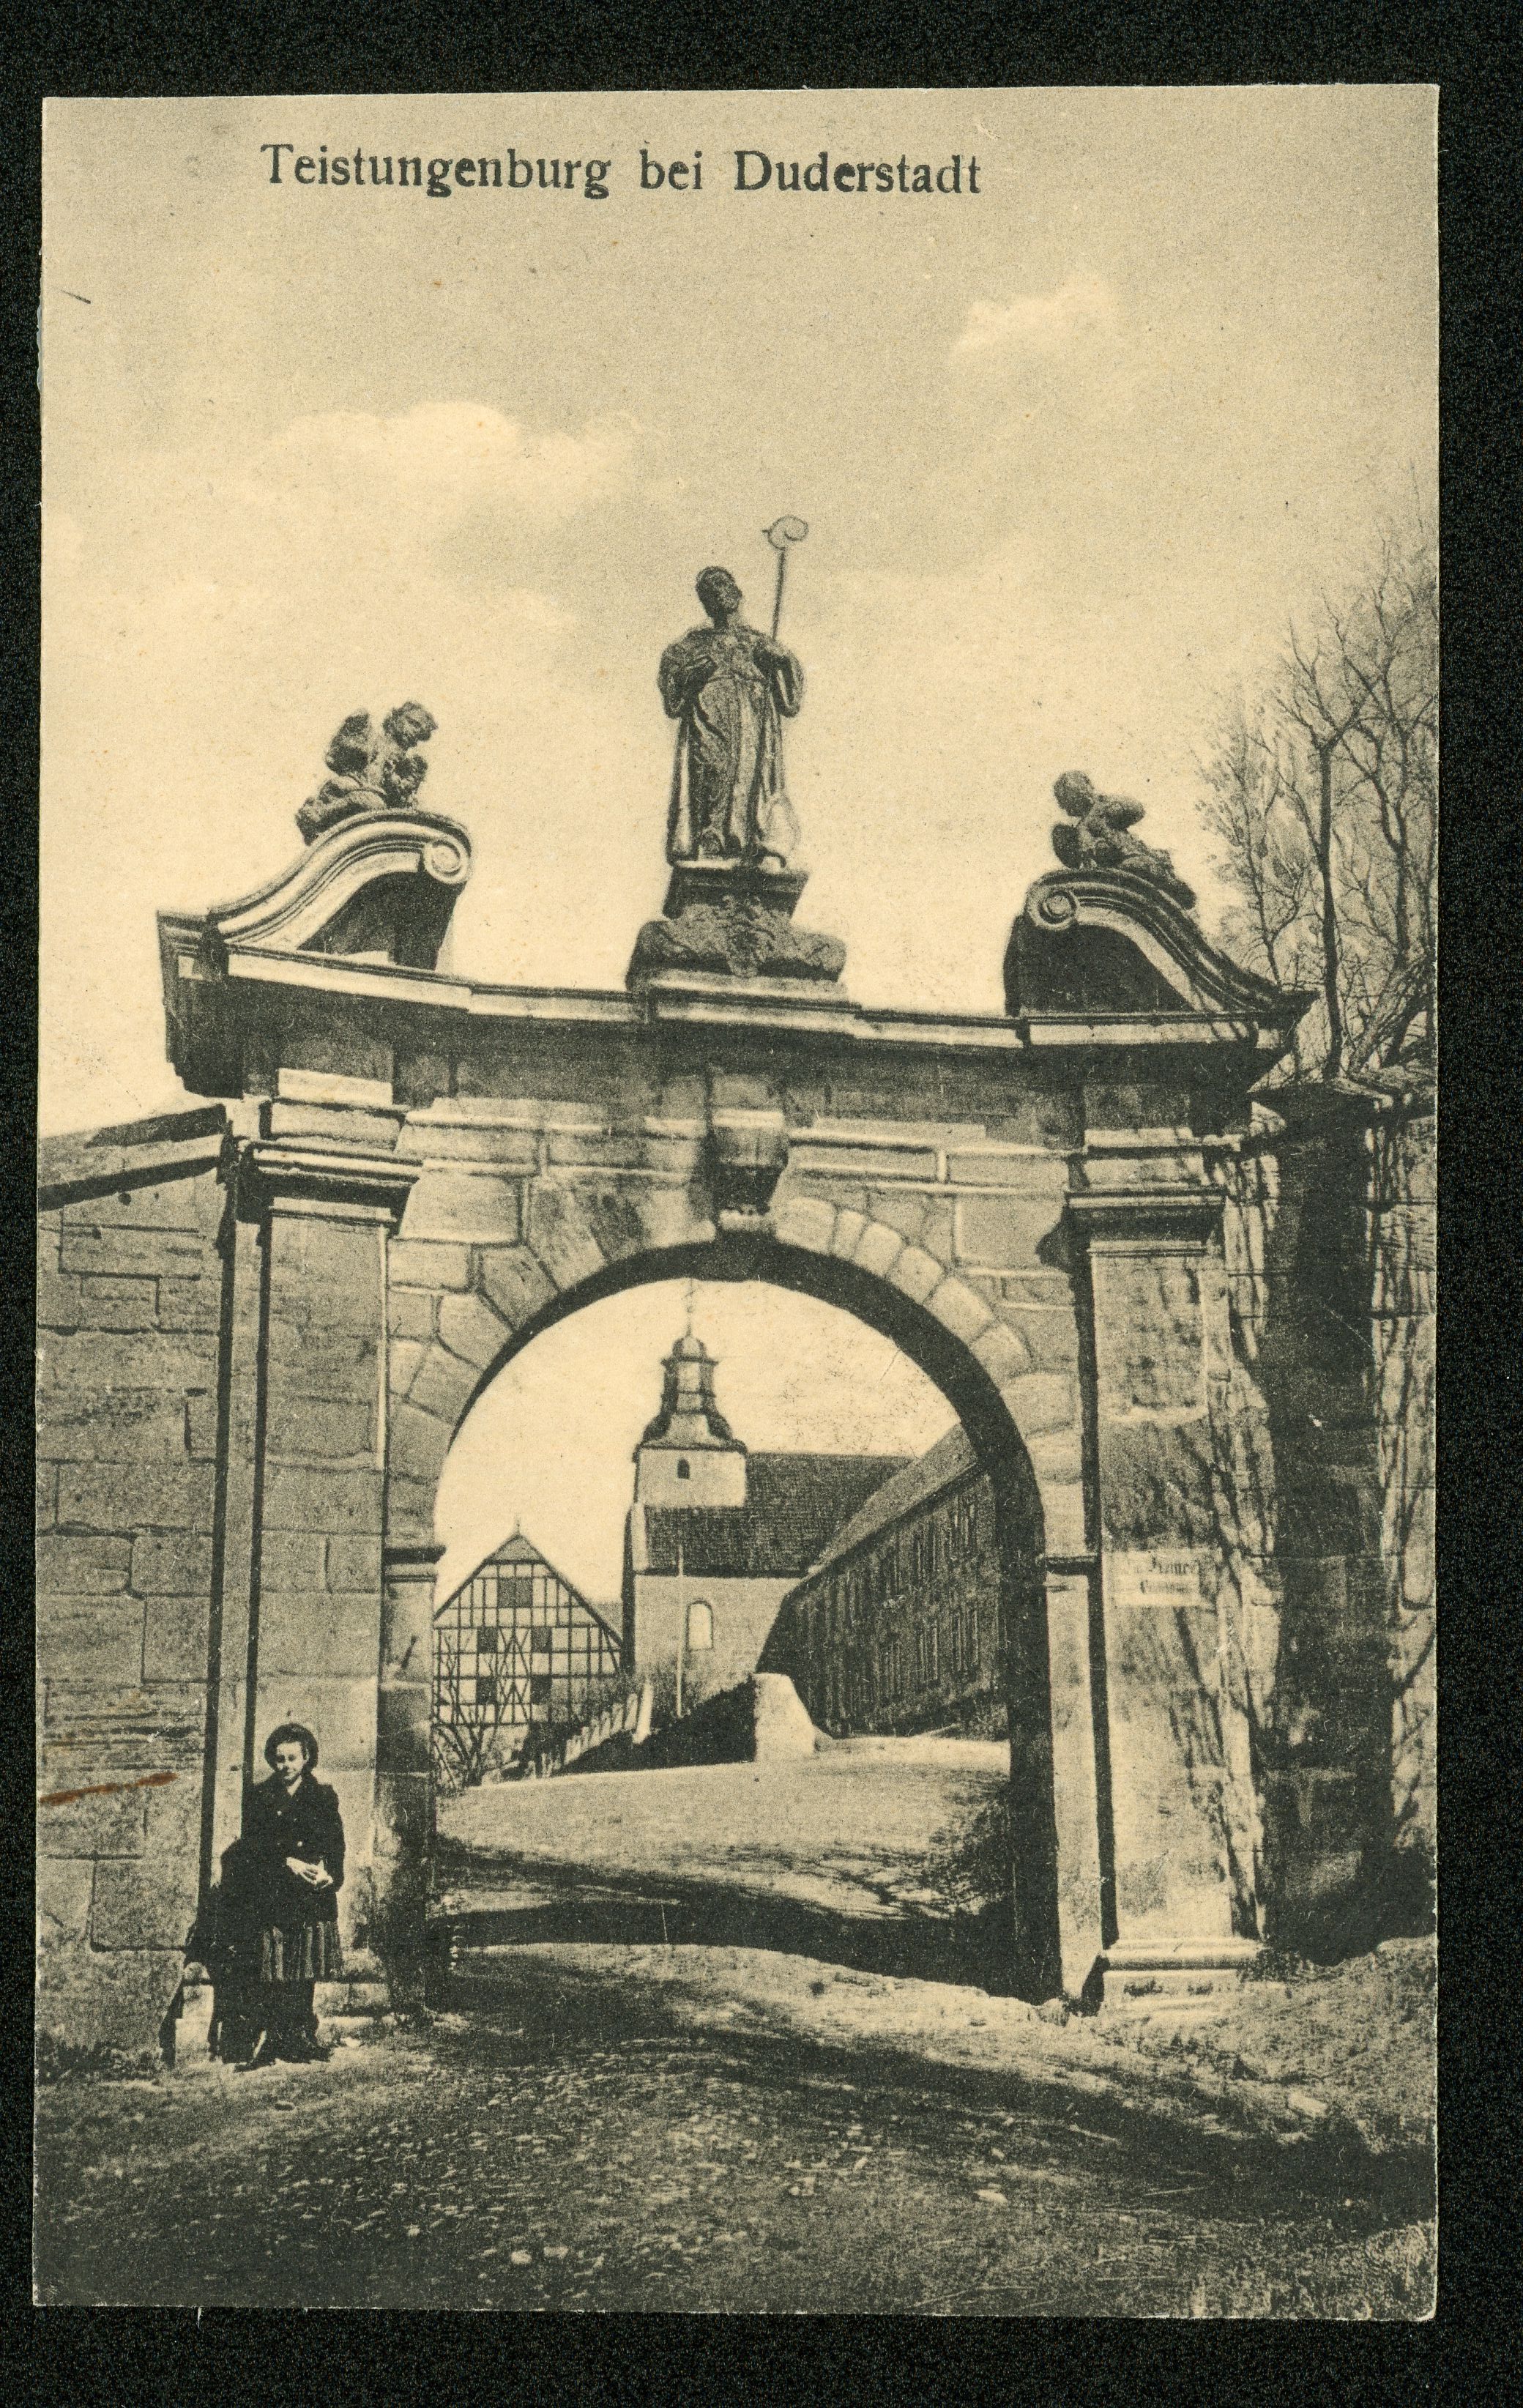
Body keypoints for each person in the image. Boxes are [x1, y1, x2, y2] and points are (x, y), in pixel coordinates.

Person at [659, 567, 803, 866]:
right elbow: (672, 700)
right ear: (705, 602)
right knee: (712, 774)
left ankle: (752, 846)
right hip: (708, 727)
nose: (718, 593)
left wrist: (782, 660)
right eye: (709, 591)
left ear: (737, 592)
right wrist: (691, 673)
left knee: (752, 785)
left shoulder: (759, 644)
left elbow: (790, 703)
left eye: (722, 585)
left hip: (753, 730)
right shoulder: (689, 646)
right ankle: (709, 843)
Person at [239, 1722, 346, 2067]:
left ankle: (302, 2036)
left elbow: (336, 1844)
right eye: (279, 1759)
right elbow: (253, 1847)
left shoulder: (323, 1795)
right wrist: (287, 1861)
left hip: (311, 1894)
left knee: (305, 1966)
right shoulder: (259, 1797)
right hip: (275, 1893)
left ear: (306, 1758)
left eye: (292, 1758)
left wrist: (331, 1875)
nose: (285, 1765)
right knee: (276, 1967)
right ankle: (276, 2037)